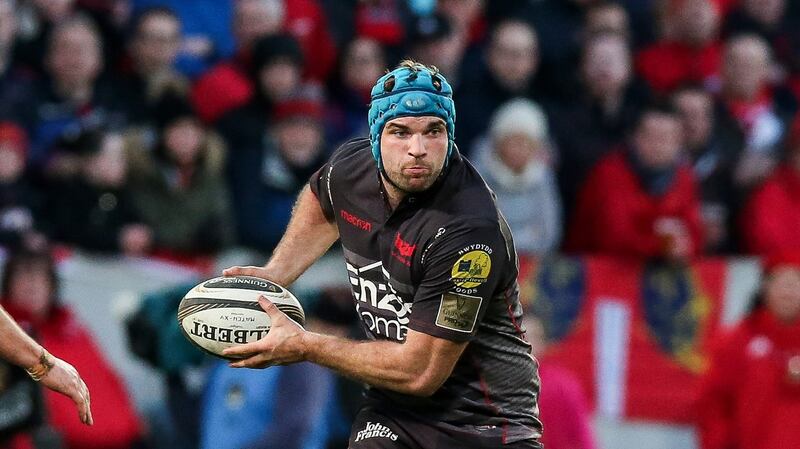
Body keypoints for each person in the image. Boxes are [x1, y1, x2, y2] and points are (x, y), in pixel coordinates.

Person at [223, 60, 542, 448]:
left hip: (483, 426)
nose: (418, 149)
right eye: (400, 132)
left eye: (433, 131)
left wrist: (305, 344)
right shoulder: (352, 168)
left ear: (451, 134)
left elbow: (420, 373)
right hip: (394, 411)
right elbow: (322, 196)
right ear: (375, 137)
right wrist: (278, 272)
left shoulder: (468, 233)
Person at [697, 251, 800, 449]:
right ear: (765, 286)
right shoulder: (735, 340)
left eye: (796, 281)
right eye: (781, 280)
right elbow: (713, 404)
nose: (789, 290)